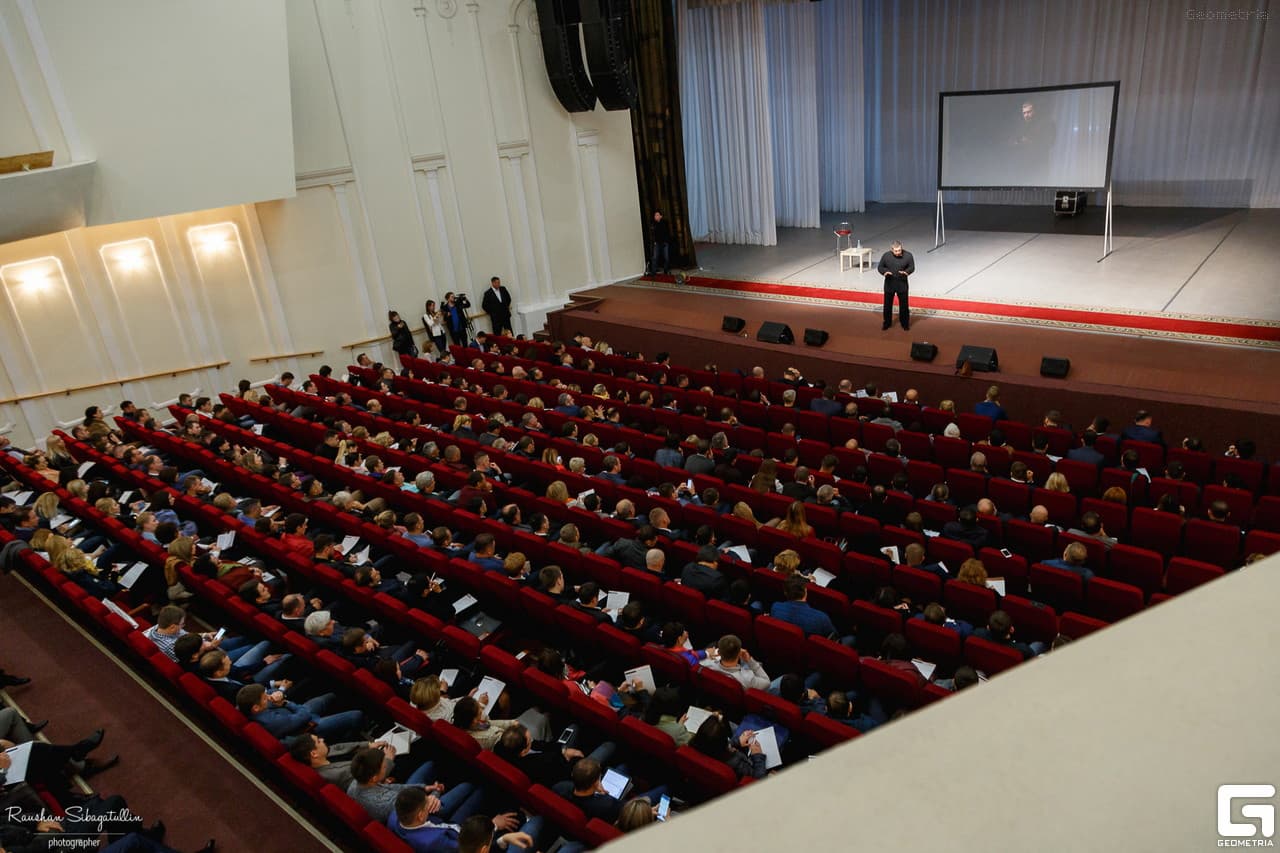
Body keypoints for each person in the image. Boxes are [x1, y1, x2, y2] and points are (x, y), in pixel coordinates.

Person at [877, 240, 915, 330]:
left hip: (902, 283)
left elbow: (912, 267)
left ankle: (905, 324)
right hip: (889, 283)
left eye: (899, 250)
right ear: (892, 250)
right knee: (887, 305)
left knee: (904, 306)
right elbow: (880, 267)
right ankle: (887, 323)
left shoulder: (908, 255)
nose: (898, 252)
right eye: (896, 251)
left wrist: (906, 272)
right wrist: (885, 272)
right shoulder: (886, 256)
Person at [647, 210, 671, 276]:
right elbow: (652, 234)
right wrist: (654, 241)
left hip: (664, 243)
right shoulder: (653, 224)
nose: (656, 216)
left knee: (666, 258)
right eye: (655, 215)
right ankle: (653, 272)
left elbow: (667, 233)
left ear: (661, 216)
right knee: (654, 257)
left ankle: (666, 270)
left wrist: (666, 241)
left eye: (657, 215)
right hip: (656, 243)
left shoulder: (665, 223)